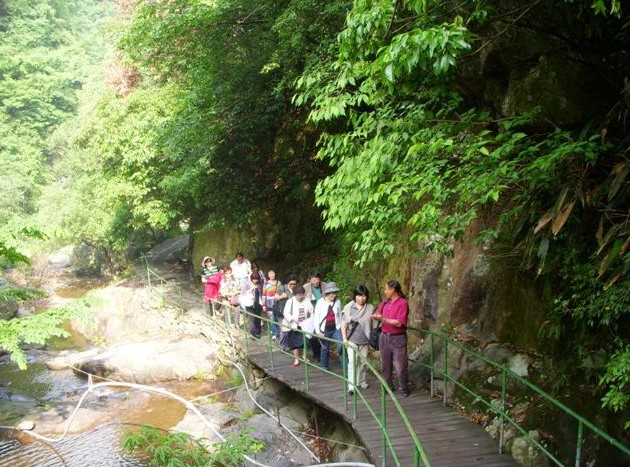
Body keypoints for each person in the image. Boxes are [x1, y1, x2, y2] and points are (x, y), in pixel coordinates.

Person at [372, 280, 410, 397]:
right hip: (384, 336)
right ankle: (388, 386)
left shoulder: (403, 303)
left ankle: (404, 387)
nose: (385, 291)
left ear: (393, 290)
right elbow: (378, 312)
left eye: (387, 289)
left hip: (398, 338)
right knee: (385, 364)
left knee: (400, 365)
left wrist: (383, 319)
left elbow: (399, 323)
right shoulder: (386, 301)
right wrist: (376, 316)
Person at [342, 285, 374, 394]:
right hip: (352, 339)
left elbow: (373, 323)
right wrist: (344, 339)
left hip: (365, 339)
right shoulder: (348, 307)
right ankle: (351, 385)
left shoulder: (370, 308)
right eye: (359, 295)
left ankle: (361, 380)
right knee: (352, 362)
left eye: (364, 296)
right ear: (355, 296)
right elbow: (343, 324)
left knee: (363, 362)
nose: (361, 298)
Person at [281, 285, 314, 367]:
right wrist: (292, 318)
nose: (300, 297)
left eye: (301, 295)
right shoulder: (290, 301)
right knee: (295, 343)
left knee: (305, 342)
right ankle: (296, 359)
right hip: (294, 325)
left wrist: (311, 319)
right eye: (298, 295)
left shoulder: (307, 300)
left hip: (304, 325)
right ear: (295, 294)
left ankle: (305, 356)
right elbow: (286, 313)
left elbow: (312, 311)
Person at [313, 282, 342, 371]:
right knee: (325, 348)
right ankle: (324, 366)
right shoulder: (320, 302)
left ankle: (346, 366)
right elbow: (316, 318)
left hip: (336, 328)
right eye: (332, 293)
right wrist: (318, 331)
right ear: (327, 294)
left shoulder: (337, 302)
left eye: (335, 293)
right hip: (324, 329)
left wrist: (340, 326)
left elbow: (340, 315)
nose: (334, 295)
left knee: (341, 345)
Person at [240, 273, 263, 338]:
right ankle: (253, 334)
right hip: (249, 304)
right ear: (251, 279)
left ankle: (258, 331)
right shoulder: (247, 285)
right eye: (254, 279)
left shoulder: (260, 285)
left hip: (258, 304)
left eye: (256, 279)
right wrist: (251, 289)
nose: (255, 281)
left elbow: (262, 294)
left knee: (258, 318)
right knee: (251, 319)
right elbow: (243, 293)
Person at [262, 270, 283, 340]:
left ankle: (279, 332)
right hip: (269, 302)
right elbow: (264, 295)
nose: (271, 275)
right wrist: (263, 305)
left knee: (278, 317)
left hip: (277, 301)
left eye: (273, 273)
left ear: (275, 274)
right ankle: (274, 332)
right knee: (271, 318)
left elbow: (281, 292)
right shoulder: (266, 283)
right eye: (270, 274)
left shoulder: (279, 283)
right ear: (268, 275)